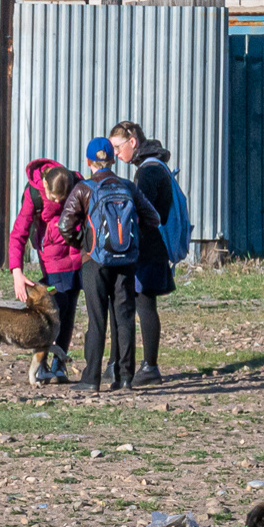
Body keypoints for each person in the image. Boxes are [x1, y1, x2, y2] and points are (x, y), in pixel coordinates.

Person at [58, 137, 161, 393]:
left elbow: (64, 226)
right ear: (113, 160)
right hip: (125, 260)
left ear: (88, 161)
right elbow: (154, 218)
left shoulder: (83, 189)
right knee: (124, 317)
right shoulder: (127, 187)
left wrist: (83, 243)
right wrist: (131, 238)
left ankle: (91, 379)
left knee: (96, 319)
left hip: (93, 261)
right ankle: (125, 378)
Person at [109, 122, 177, 386]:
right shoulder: (153, 166)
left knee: (145, 304)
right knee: (145, 304)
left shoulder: (147, 173)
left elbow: (143, 214)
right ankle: (148, 365)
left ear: (133, 142)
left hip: (148, 249)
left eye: (118, 147)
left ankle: (150, 366)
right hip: (154, 247)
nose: (116, 154)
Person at [9, 160, 83, 383]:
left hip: (79, 258)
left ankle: (59, 364)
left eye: (64, 199)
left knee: (68, 311)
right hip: (53, 262)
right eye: (54, 199)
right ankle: (39, 364)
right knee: (52, 312)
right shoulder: (35, 195)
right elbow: (18, 234)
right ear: (44, 185)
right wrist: (16, 271)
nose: (59, 203)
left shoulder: (77, 184)